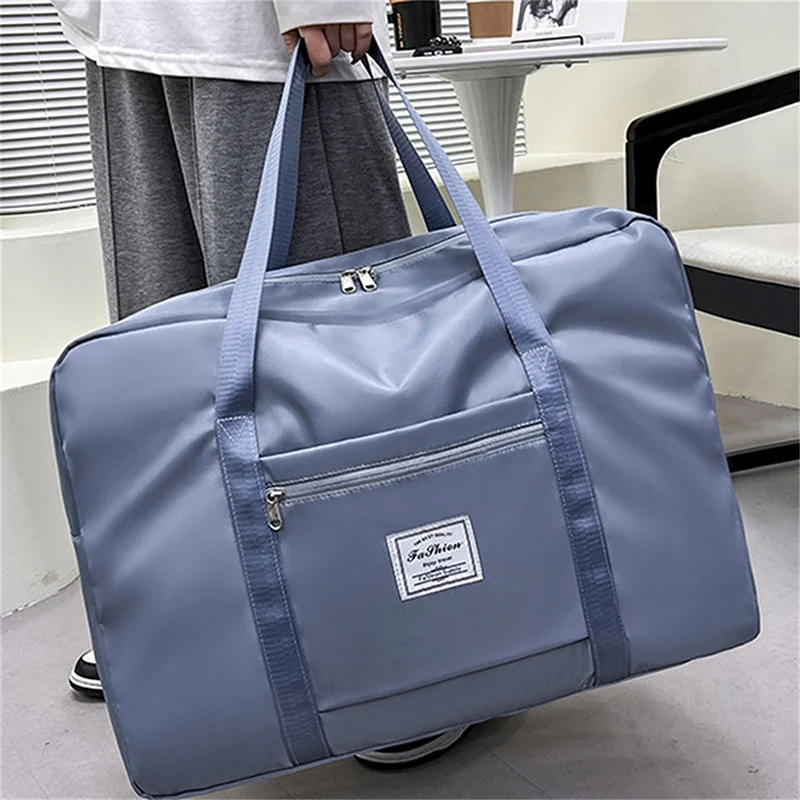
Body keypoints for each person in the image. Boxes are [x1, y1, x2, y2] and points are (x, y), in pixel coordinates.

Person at [52, 0, 467, 766]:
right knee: (167, 355)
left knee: (329, 353)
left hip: (259, 34)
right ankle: (188, 631)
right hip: (125, 33)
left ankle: (400, 645)